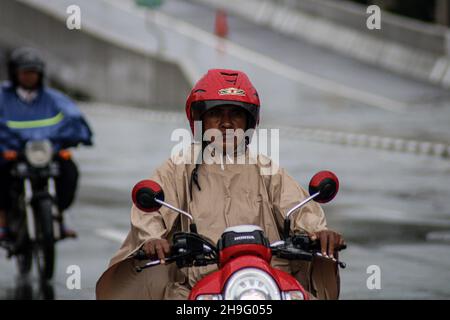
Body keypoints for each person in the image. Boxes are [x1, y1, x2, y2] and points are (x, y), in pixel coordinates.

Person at [96, 69, 345, 300]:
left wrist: (319, 232)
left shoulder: (267, 169)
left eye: (235, 113)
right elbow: (151, 212)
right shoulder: (178, 167)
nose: (226, 123)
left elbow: (298, 207)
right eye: (216, 113)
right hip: (195, 285)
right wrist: (152, 240)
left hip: (264, 281)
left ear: (249, 120)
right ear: (200, 119)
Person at [0, 47, 93, 240]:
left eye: (33, 72)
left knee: (69, 172)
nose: (29, 77)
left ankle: (57, 216)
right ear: (15, 73)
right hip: (13, 153)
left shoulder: (52, 97)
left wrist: (74, 135)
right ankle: (3, 221)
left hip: (45, 152)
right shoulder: (3, 96)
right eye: (25, 72)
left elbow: (73, 116)